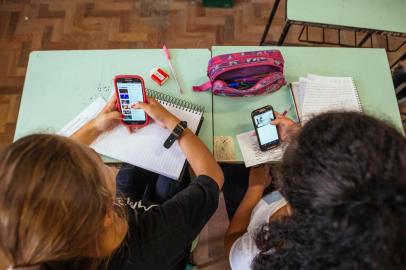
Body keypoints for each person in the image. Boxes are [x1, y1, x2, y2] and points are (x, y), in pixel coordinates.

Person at [0, 96, 224, 270]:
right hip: (163, 247)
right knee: (176, 174)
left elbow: (49, 175)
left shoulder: (38, 248)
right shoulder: (162, 235)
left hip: (121, 211)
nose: (93, 153)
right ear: (107, 214)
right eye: (95, 158)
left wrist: (96, 126)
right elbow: (212, 177)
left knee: (142, 166)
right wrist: (172, 122)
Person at [224, 112, 406, 270]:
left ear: (291, 207)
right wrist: (300, 138)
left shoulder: (258, 253)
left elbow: (231, 243)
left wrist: (254, 189)